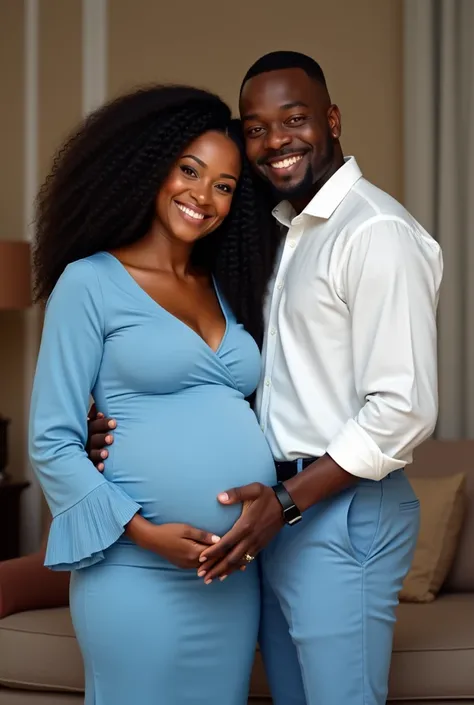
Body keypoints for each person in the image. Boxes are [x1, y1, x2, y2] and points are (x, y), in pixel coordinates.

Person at [88, 52, 443, 705]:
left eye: (295, 118)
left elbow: (403, 409)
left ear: (331, 121)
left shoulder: (376, 233)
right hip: (279, 511)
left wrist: (284, 502)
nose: (275, 140)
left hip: (336, 510)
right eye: (256, 127)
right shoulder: (289, 235)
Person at [28, 85, 279, 705]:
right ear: (151, 167)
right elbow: (51, 439)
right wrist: (144, 533)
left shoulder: (226, 288)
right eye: (189, 170)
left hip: (229, 575)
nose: (203, 195)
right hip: (133, 569)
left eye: (223, 184)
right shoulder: (90, 283)